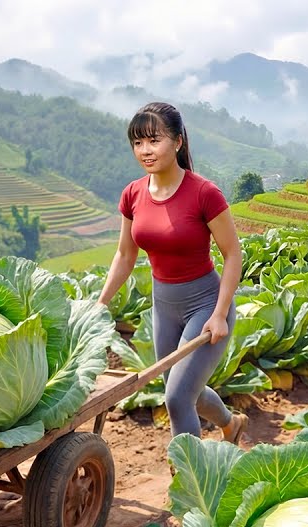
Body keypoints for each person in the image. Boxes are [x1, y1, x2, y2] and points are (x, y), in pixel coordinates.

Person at [97, 102, 247, 443]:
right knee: (180, 388)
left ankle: (187, 484)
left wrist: (220, 313)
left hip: (205, 306)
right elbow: (125, 254)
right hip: (163, 306)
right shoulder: (133, 194)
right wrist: (101, 303)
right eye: (137, 143)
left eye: (154, 140)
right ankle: (230, 424)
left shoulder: (204, 193)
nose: (145, 151)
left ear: (178, 142)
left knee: (177, 397)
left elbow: (233, 254)